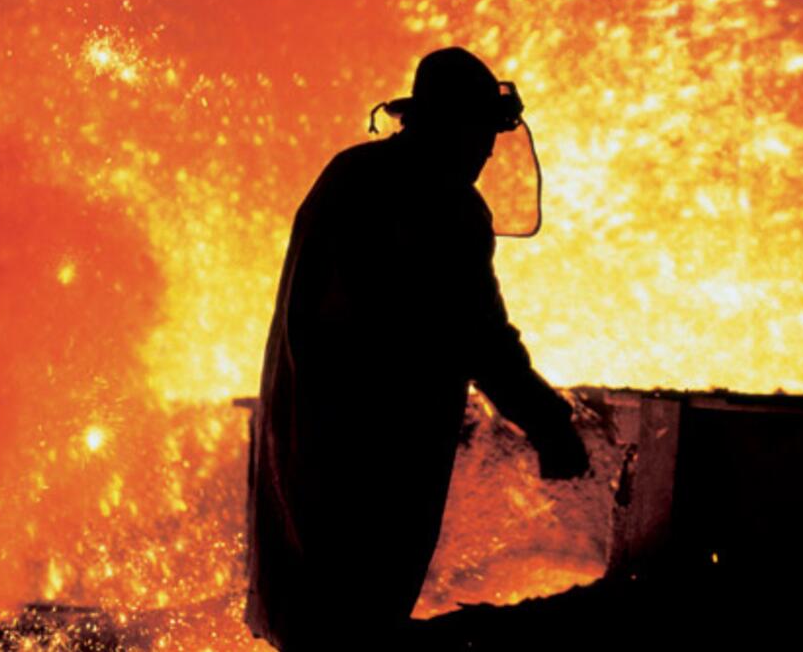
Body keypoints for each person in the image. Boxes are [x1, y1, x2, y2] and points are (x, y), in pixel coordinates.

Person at [246, 47, 590, 650]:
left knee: (317, 610)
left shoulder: (350, 174)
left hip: (309, 426)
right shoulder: (443, 202)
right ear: (453, 126)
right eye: (483, 130)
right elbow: (477, 332)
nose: (488, 149)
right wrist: (548, 422)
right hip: (377, 446)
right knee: (359, 615)